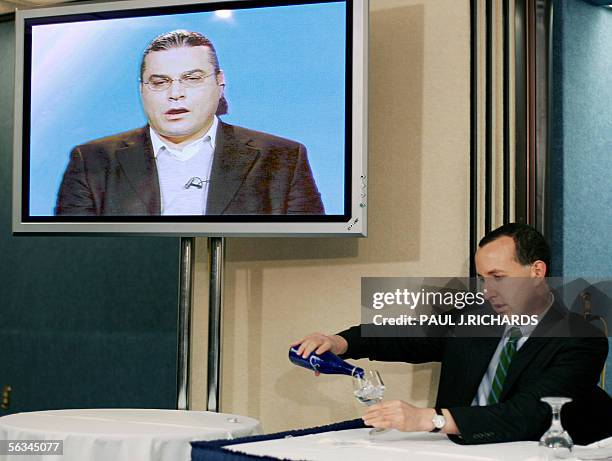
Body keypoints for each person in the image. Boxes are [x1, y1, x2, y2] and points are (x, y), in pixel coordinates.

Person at [292, 223, 612, 445]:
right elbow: (405, 336)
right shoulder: (475, 316)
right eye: (483, 279)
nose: (487, 291)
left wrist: (431, 420)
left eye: (498, 277)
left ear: (536, 272)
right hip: (455, 451)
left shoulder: (581, 338)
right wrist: (340, 342)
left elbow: (530, 414)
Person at [55, 30, 324, 216]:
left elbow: (305, 247)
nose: (175, 93)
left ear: (220, 82)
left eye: (192, 78)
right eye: (160, 82)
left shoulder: (282, 158)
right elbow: (74, 254)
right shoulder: (92, 161)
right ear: (142, 90)